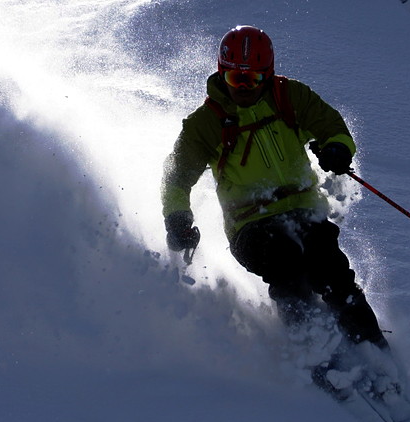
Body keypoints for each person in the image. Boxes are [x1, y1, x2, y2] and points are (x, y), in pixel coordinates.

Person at [161, 26, 389, 392]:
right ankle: (316, 354)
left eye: (252, 78)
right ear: (222, 72)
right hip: (249, 225)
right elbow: (175, 178)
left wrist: (337, 148)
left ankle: (376, 353)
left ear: (267, 75)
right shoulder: (206, 123)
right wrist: (177, 218)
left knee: (331, 270)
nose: (243, 87)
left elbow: (331, 126)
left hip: (303, 210)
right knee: (287, 267)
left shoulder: (289, 96)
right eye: (235, 76)